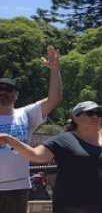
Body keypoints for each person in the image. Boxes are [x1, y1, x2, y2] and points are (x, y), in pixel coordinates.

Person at [0, 100, 102, 213]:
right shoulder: (64, 140)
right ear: (75, 117)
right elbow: (36, 155)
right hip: (71, 208)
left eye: (99, 113)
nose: (95, 116)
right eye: (90, 113)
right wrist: (9, 140)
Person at [0, 45, 62, 213]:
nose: (3, 92)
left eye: (9, 89)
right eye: (0, 88)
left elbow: (54, 99)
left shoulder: (25, 113)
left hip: (17, 187)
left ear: (16, 95)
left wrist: (55, 69)